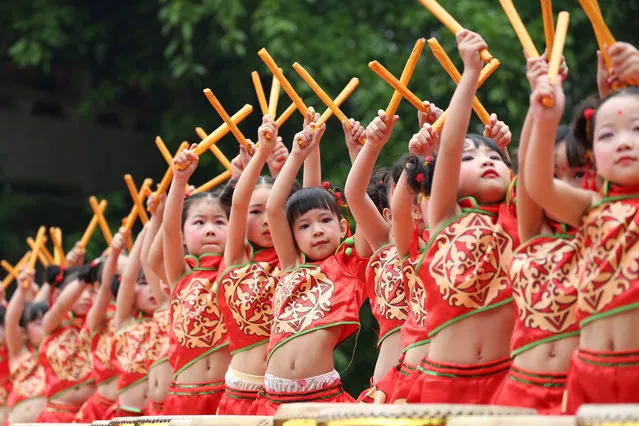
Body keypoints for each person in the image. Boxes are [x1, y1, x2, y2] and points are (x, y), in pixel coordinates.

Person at [523, 41, 639, 412]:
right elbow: (538, 185)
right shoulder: (591, 208)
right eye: (607, 135)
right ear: (592, 156)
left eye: (637, 130)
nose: (623, 143)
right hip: (588, 375)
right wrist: (545, 121)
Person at [254, 119, 369, 414]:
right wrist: (297, 154)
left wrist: (358, 152)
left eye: (325, 220)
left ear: (344, 226)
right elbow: (274, 209)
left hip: (322, 398)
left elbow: (361, 203)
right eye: (304, 226)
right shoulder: (291, 264)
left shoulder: (352, 263)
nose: (316, 230)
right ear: (292, 236)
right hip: (271, 401)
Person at [163, 146, 232, 415]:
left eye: (220, 222)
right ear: (183, 235)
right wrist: (178, 181)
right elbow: (168, 230)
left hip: (229, 399)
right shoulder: (180, 274)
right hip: (182, 398)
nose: (211, 230)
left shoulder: (238, 270)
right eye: (199, 222)